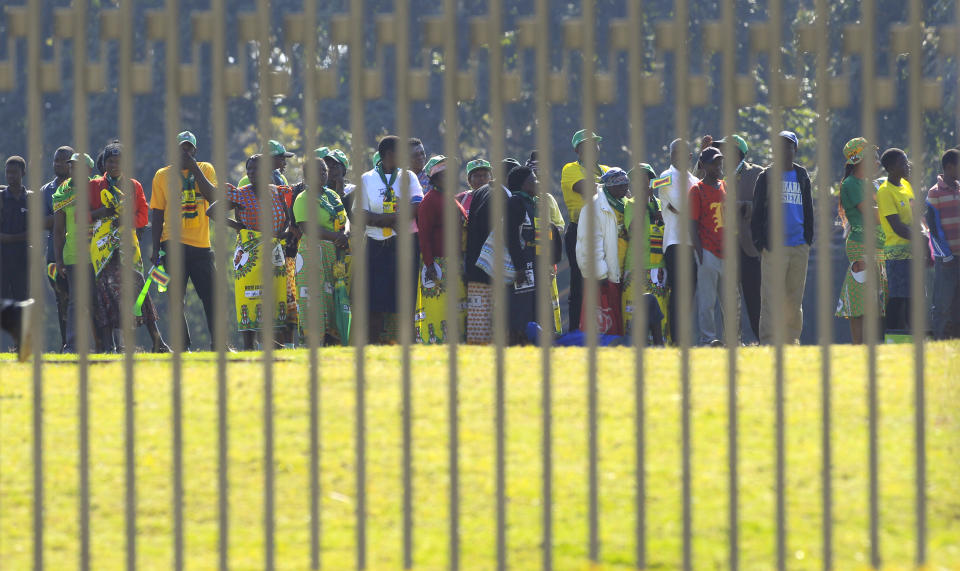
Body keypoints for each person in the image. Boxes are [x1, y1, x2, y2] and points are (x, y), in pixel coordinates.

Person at [88, 142, 169, 352]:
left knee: (138, 287)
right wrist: (102, 214)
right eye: (111, 161)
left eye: (119, 161)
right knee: (104, 292)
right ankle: (108, 347)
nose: (115, 165)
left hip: (127, 247)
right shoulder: (94, 186)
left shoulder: (134, 186)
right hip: (103, 249)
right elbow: (81, 216)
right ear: (104, 163)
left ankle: (157, 341)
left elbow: (143, 217)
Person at [150, 131, 219, 350]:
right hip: (172, 245)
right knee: (175, 300)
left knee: (212, 297)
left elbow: (213, 197)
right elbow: (157, 213)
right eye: (181, 148)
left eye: (189, 149)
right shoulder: (162, 175)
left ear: (195, 151)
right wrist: (155, 250)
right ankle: (183, 346)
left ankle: (218, 344)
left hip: (201, 245)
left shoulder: (206, 169)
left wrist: (194, 167)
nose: (185, 152)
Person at [355, 135, 424, 343]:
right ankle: (373, 342)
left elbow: (417, 205)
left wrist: (392, 219)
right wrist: (388, 220)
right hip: (376, 246)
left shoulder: (409, 176)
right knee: (374, 299)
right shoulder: (367, 179)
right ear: (388, 154)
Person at [222, 154, 292, 350]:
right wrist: (240, 227)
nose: (252, 173)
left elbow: (288, 219)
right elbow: (213, 211)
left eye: (256, 169)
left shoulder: (278, 192)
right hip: (249, 254)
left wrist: (282, 233)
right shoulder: (241, 193)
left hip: (273, 252)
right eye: (249, 170)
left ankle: (272, 344)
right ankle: (249, 347)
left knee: (273, 295)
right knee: (249, 297)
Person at [751, 130, 814, 345]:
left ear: (794, 149)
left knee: (794, 297)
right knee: (770, 297)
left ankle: (791, 339)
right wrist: (761, 243)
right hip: (773, 247)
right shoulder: (766, 176)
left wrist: (808, 240)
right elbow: (757, 212)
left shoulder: (802, 175)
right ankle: (769, 340)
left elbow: (809, 209)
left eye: (787, 146)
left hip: (799, 245)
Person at [294, 154, 351, 345]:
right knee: (313, 297)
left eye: (324, 171)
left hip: (333, 253)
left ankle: (333, 340)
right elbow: (306, 227)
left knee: (331, 297)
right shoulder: (303, 198)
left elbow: (345, 219)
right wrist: (336, 237)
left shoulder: (332, 195)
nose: (322, 174)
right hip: (312, 253)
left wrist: (346, 233)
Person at [835, 138, 887, 344]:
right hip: (860, 246)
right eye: (872, 158)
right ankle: (858, 346)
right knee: (860, 301)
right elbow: (871, 214)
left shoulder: (869, 184)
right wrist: (896, 209)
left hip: (878, 245)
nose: (876, 162)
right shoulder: (851, 184)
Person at [560, 129, 610, 332]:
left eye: (595, 144)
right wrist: (611, 186)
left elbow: (624, 192)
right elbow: (586, 188)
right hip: (580, 230)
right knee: (580, 283)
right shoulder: (570, 168)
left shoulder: (606, 169)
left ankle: (605, 326)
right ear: (577, 150)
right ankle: (575, 331)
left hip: (606, 231)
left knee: (607, 280)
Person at [715, 134, 763, 341]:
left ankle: (764, 339)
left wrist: (745, 206)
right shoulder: (720, 178)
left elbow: (767, 206)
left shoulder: (757, 173)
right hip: (726, 247)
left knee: (755, 299)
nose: (722, 155)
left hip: (750, 245)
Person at [415, 155, 468, 344]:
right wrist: (429, 264)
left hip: (454, 261)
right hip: (438, 263)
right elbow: (424, 235)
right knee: (440, 307)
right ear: (435, 179)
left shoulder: (449, 199)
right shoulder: (430, 200)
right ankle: (437, 340)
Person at [506, 166, 560, 344]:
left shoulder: (535, 203)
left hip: (537, 264)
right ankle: (520, 342)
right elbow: (511, 237)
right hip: (523, 265)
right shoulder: (515, 202)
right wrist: (519, 267)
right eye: (533, 179)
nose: (538, 182)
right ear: (523, 184)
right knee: (522, 307)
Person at [462, 160, 515, 344]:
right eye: (476, 176)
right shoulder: (501, 196)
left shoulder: (481, 192)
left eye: (485, 175)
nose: (481, 179)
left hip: (476, 266)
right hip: (491, 267)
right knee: (489, 318)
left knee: (478, 318)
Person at [575, 167, 631, 335]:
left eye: (626, 185)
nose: (625, 189)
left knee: (622, 318)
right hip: (605, 276)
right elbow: (589, 243)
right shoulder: (594, 207)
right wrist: (599, 273)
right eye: (620, 186)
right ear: (610, 186)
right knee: (604, 321)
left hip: (624, 272)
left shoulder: (626, 205)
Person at [52, 153, 99, 352]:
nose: (73, 170)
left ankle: (106, 344)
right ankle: (72, 345)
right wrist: (59, 260)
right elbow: (58, 229)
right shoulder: (63, 192)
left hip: (99, 254)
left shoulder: (98, 188)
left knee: (100, 301)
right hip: (73, 255)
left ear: (89, 170)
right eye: (71, 167)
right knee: (76, 302)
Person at [660, 139, 700, 344]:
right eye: (675, 153)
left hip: (694, 243)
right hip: (675, 242)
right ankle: (675, 338)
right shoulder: (664, 177)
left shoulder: (694, 179)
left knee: (690, 292)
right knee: (678, 291)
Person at [623, 163, 666, 345]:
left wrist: (663, 216)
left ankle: (660, 346)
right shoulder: (630, 204)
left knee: (659, 313)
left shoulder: (661, 205)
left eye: (645, 179)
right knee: (633, 310)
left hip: (659, 268)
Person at [689, 147, 728, 346]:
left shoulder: (725, 186)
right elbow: (692, 225)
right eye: (714, 162)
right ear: (703, 166)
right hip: (707, 251)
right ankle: (708, 338)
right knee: (707, 301)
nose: (718, 166)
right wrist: (700, 254)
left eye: (719, 161)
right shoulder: (696, 190)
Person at [877, 148, 916, 333]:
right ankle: (891, 337)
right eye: (903, 163)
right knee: (899, 298)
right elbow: (897, 226)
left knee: (913, 298)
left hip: (913, 251)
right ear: (891, 168)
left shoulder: (907, 186)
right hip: (897, 254)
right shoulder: (884, 191)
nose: (907, 166)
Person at [40, 146, 74, 350]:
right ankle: (66, 344)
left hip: (82, 252)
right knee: (62, 299)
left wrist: (58, 217)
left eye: (63, 160)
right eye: (55, 160)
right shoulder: (46, 191)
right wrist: (67, 216)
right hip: (54, 254)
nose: (58, 164)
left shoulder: (85, 187)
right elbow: (41, 221)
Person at [927, 148, 960, 339]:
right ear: (949, 167)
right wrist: (946, 255)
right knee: (942, 305)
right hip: (946, 260)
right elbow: (934, 227)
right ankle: (940, 341)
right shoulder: (934, 193)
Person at [1, 156, 32, 304]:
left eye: (14, 172)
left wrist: (9, 238)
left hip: (23, 258)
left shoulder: (30, 198)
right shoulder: (1, 197)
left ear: (23, 173)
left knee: (22, 299)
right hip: (3, 258)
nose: (11, 176)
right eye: (8, 172)